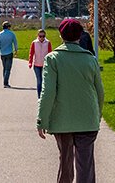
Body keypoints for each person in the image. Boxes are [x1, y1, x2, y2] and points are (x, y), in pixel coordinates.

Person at [36, 18, 104, 183]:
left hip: (62, 120)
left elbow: (48, 92)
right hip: (87, 119)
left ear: (61, 35)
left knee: (65, 162)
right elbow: (100, 92)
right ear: (80, 36)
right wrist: (98, 115)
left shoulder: (53, 59)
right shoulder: (90, 59)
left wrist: (42, 120)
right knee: (86, 165)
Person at [27, 29, 52, 96]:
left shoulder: (48, 43)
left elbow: (50, 54)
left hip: (45, 65)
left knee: (45, 81)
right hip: (37, 65)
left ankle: (44, 95)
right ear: (38, 36)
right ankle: (39, 96)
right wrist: (30, 62)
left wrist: (51, 64)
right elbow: (31, 53)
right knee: (39, 81)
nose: (42, 38)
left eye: (43, 36)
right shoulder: (34, 43)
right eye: (40, 36)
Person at [0, 22, 17, 88]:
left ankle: (5, 81)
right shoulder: (12, 34)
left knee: (4, 68)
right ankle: (5, 83)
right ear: (9, 27)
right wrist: (16, 50)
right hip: (9, 53)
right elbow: (15, 43)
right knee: (8, 69)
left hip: (2, 53)